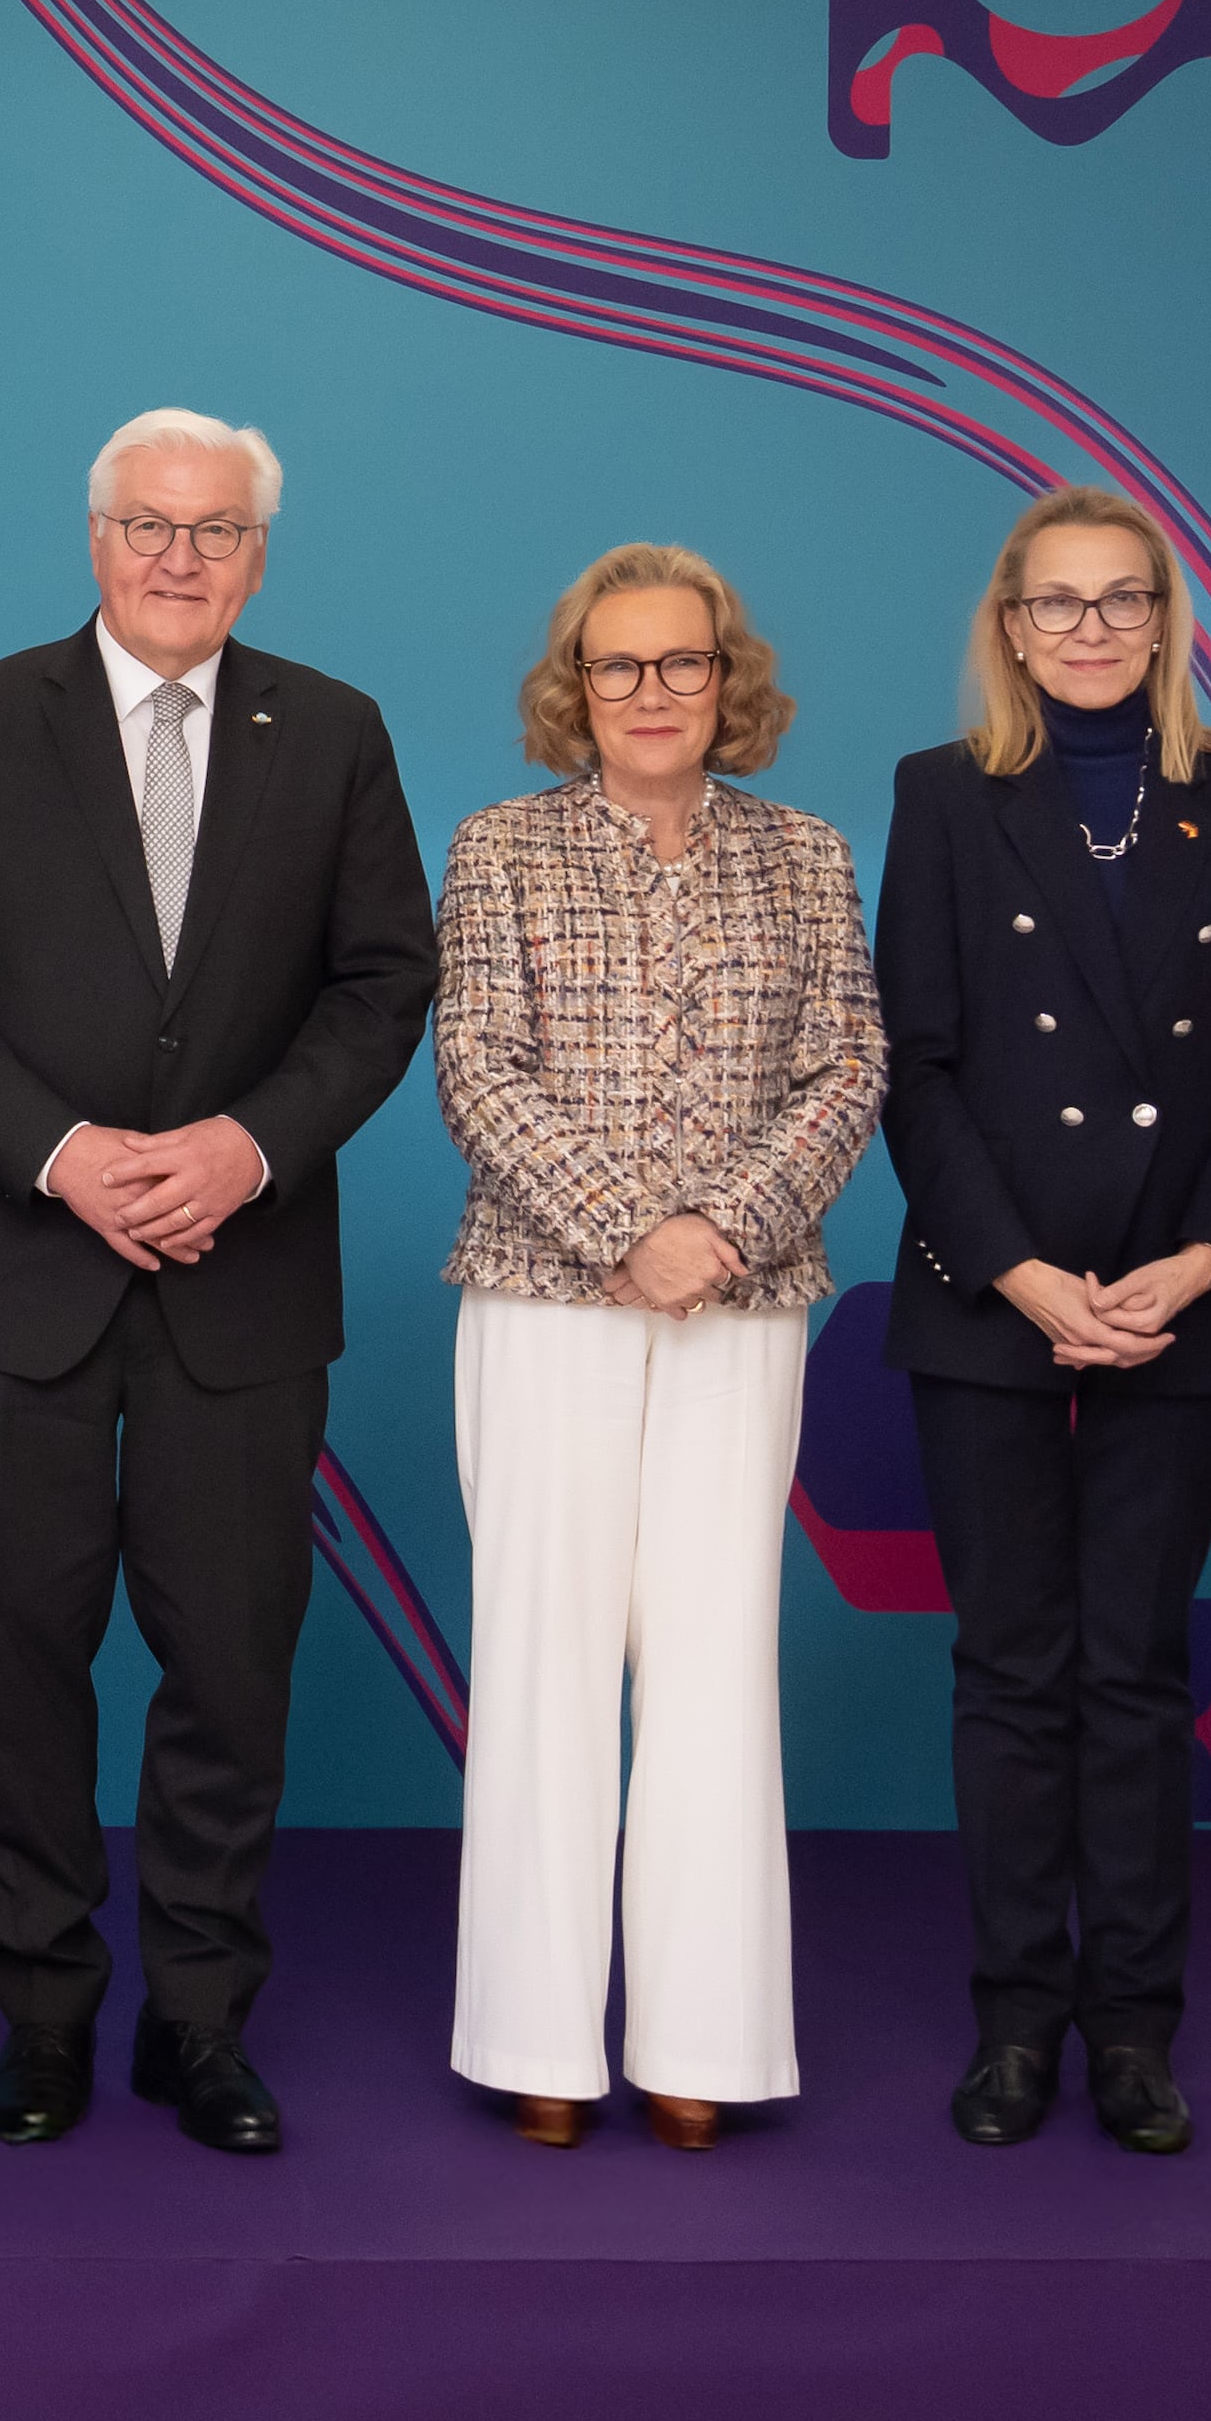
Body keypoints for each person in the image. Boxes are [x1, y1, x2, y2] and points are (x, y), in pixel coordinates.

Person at [0, 408, 441, 2157]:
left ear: (258, 553)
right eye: (146, 525)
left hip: (242, 1290)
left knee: (232, 1672)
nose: (178, 557)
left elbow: (381, 983)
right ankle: (42, 2016)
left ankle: (198, 2021)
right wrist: (65, 1152)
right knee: (18, 1666)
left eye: (214, 531)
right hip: (15, 1278)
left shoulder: (332, 732)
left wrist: (247, 1149)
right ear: (93, 539)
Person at [876, 490, 1211, 2161]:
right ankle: (1014, 2020)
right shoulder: (944, 794)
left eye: (1118, 600)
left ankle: (1134, 2026)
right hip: (994, 1291)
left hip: (1175, 1296)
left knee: (1135, 1669)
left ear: (1163, 619)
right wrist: (1016, 1269)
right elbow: (913, 1066)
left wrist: (1200, 1260)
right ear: (1007, 624)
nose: (1087, 630)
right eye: (1053, 604)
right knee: (1009, 1670)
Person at [440, 542, 882, 2155]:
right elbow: (476, 1066)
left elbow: (849, 1066)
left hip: (739, 1309)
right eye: (617, 666)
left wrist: (727, 1231)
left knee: (711, 1668)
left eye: (680, 663)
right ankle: (536, 2035)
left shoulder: (809, 854)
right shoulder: (499, 849)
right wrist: (631, 1223)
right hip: (547, 1297)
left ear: (726, 677)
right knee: (544, 1662)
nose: (649, 693)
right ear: (577, 686)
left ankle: (704, 2035)